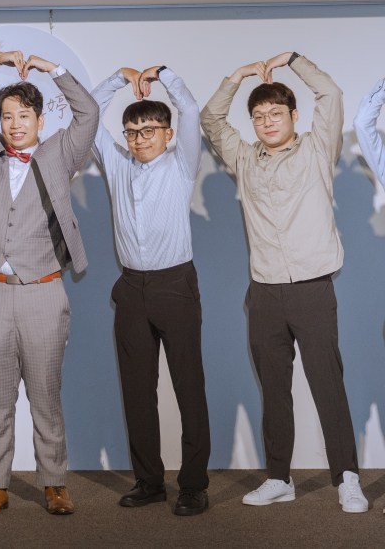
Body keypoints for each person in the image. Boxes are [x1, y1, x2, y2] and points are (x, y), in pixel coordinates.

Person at [201, 51, 367, 513]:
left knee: (327, 386)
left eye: (276, 113)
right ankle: (279, 477)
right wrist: (237, 76)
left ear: (294, 115)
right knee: (273, 390)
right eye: (258, 116)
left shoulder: (317, 148)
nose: (267, 122)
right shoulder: (244, 158)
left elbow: (330, 93)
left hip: (312, 288)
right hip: (264, 291)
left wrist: (293, 59)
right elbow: (210, 119)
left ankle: (347, 478)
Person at [0, 51, 98, 518]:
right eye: (7, 116)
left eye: (23, 115)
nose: (15, 124)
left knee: (45, 398)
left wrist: (53, 70)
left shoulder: (60, 152)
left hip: (44, 291)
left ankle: (54, 484)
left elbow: (88, 112)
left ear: (40, 118)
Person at [90, 64, 210, 515]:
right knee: (137, 391)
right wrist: (118, 80)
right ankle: (149, 482)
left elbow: (191, 110)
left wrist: (163, 76)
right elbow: (88, 112)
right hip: (131, 289)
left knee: (188, 388)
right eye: (132, 132)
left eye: (149, 131)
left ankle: (193, 485)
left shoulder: (181, 164)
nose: (140, 139)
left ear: (167, 134)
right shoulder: (116, 165)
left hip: (175, 284)